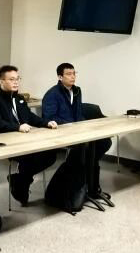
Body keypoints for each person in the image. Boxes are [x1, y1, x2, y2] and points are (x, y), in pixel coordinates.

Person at [0, 65, 58, 204]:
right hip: (6, 142)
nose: (16, 82)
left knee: (50, 154)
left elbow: (30, 117)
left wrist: (46, 123)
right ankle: (21, 182)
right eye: (12, 79)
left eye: (18, 79)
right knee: (31, 157)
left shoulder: (19, 98)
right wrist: (17, 127)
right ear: (1, 81)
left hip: (25, 139)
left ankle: (20, 180)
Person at [42, 62, 111, 193]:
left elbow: (79, 113)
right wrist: (72, 125)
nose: (73, 77)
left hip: (76, 130)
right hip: (61, 132)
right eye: (69, 74)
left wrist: (83, 126)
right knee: (86, 147)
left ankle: (84, 175)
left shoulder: (77, 90)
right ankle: (79, 176)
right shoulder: (52, 94)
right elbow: (49, 117)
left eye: (74, 73)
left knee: (104, 142)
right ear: (60, 77)